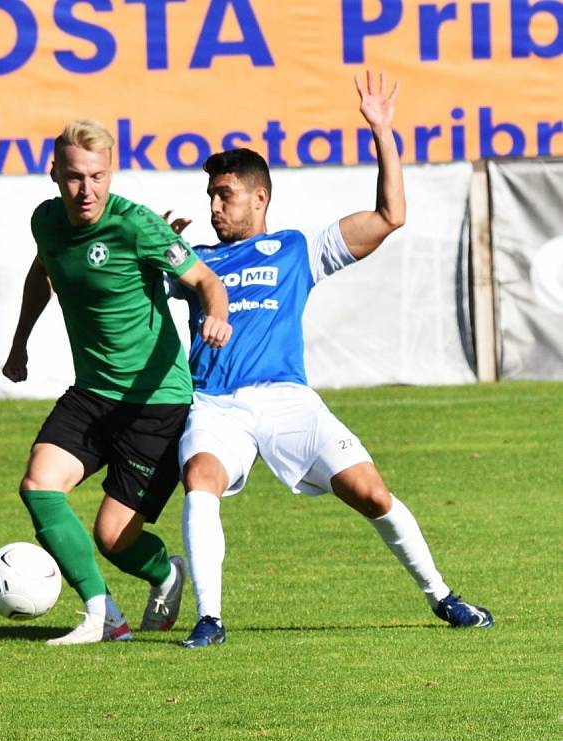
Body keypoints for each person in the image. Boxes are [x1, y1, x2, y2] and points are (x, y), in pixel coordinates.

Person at [171, 72, 494, 648]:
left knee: (371, 493)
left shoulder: (296, 248)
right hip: (217, 404)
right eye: (211, 196)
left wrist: (382, 131)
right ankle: (210, 618)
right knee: (200, 479)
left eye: (226, 194)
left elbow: (390, 216)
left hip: (288, 400)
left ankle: (443, 597)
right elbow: (127, 290)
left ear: (259, 196)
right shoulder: (194, 261)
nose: (215, 206)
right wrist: (156, 250)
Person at [2, 119, 231, 645]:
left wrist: (216, 315)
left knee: (113, 538)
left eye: (98, 177)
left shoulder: (136, 225)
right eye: (77, 177)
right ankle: (104, 615)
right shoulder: (47, 221)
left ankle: (165, 573)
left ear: (112, 173)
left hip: (155, 403)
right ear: (54, 172)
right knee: (39, 485)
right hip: (92, 393)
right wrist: (20, 342)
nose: (88, 190)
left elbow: (205, 280)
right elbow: (44, 273)